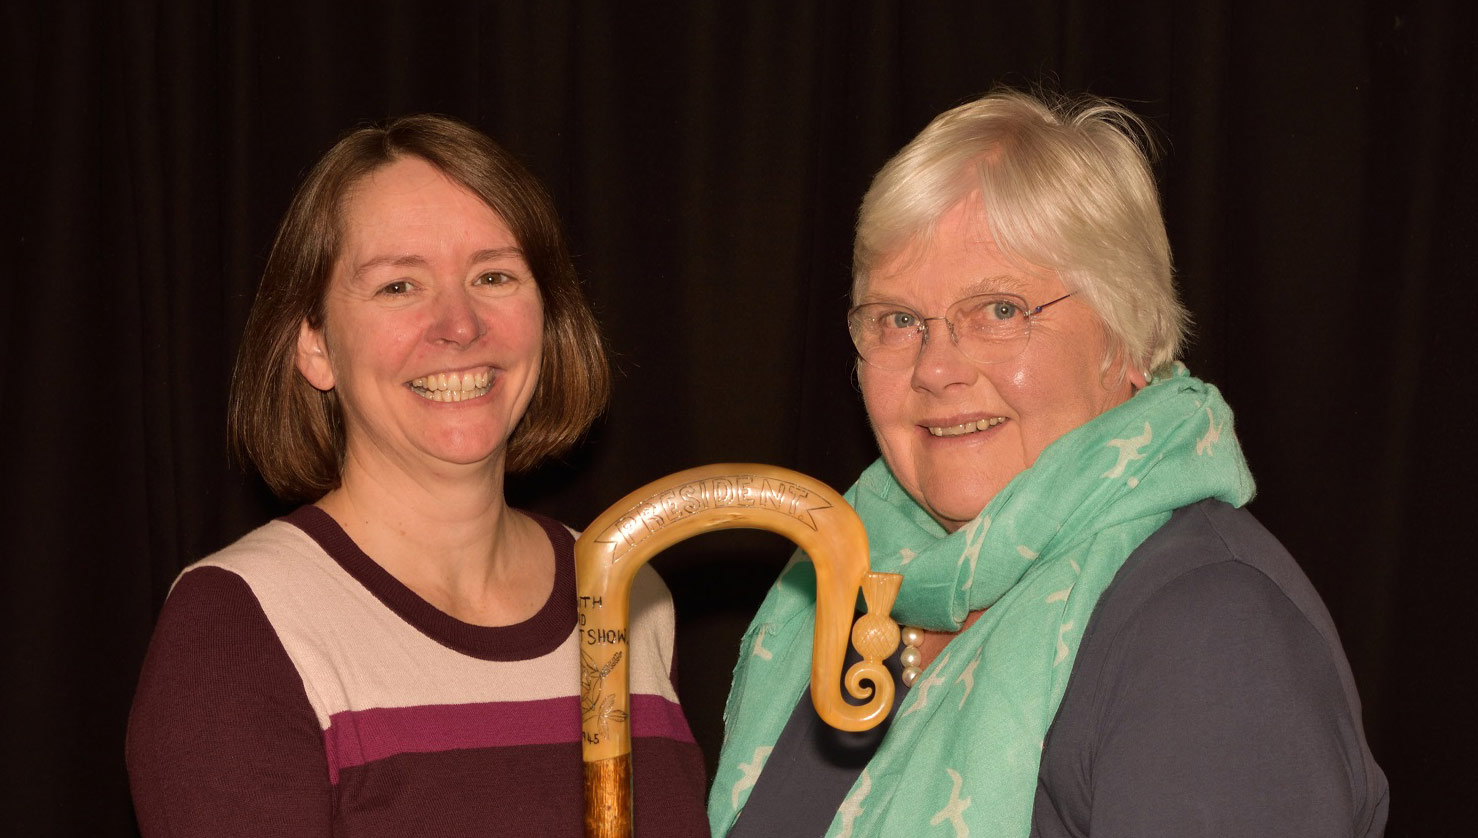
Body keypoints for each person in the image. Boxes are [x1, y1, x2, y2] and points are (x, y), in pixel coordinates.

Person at [710, 89, 1388, 837]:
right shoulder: (858, 584)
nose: (936, 368)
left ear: (1127, 335)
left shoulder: (1212, 635)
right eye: (899, 320)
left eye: (1000, 310)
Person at [126, 114, 710, 837]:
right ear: (314, 345)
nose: (459, 326)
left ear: (550, 318)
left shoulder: (628, 592)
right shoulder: (241, 624)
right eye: (399, 286)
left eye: (494, 275)